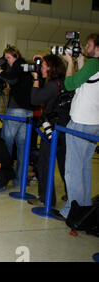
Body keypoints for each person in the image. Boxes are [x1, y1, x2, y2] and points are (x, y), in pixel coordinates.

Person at [58, 33, 99, 220]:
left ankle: (71, 211)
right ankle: (83, 207)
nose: (86, 48)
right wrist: (80, 58)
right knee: (84, 167)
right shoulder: (93, 66)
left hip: (80, 123)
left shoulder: (93, 64)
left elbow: (70, 84)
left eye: (89, 45)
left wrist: (70, 63)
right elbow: (87, 83)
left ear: (97, 49)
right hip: (94, 124)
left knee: (72, 169)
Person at [27, 54, 69, 208]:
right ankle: (71, 196)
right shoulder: (64, 82)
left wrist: (36, 80)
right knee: (65, 165)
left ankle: (46, 199)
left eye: (43, 65)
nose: (41, 68)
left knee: (44, 163)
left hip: (53, 129)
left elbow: (35, 99)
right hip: (65, 128)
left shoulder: (52, 85)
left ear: (50, 68)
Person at [0, 46, 34, 188]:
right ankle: (19, 181)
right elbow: (17, 83)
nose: (7, 61)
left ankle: (3, 178)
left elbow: (12, 79)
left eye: (8, 58)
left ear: (16, 55)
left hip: (16, 111)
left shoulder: (18, 66)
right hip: (28, 112)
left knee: (6, 145)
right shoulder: (26, 67)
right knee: (22, 149)